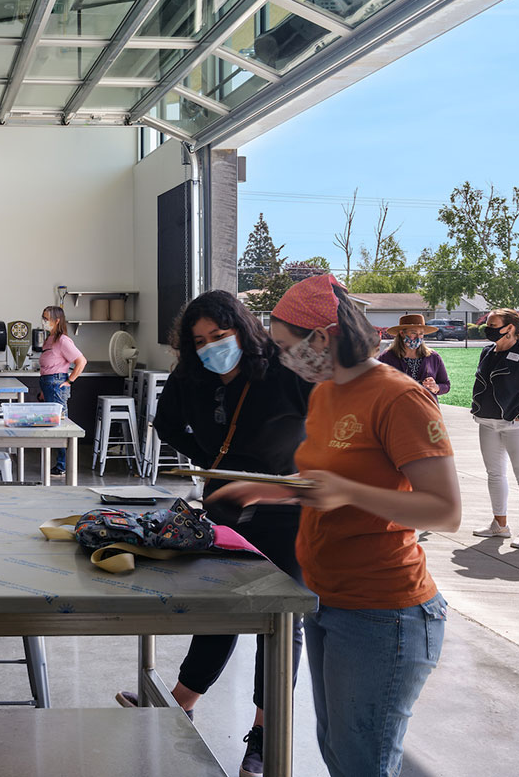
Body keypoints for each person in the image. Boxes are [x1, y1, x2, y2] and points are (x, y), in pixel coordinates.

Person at [209, 274, 459, 777]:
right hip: (326, 599)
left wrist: (349, 494)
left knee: (363, 762)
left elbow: (445, 510)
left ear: (320, 337)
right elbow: (324, 479)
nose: (283, 358)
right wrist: (263, 489)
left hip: (384, 612)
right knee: (340, 752)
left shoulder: (398, 398)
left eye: (285, 346)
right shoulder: (324, 394)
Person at [118, 290, 309, 777]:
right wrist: (208, 458)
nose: (211, 347)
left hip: (284, 505)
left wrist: (292, 473)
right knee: (220, 604)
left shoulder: (283, 370)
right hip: (222, 501)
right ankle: (181, 701)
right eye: (200, 340)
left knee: (280, 620)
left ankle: (265, 734)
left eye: (220, 336)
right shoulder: (191, 374)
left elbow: (323, 427)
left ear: (242, 329)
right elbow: (166, 423)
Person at [469, 308, 519, 548]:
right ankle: (500, 524)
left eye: (493, 324)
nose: (488, 328)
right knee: (494, 474)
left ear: (509, 328)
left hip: (518, 425)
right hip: (487, 422)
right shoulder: (487, 352)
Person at [38, 305, 85, 476]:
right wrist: (43, 390)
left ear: (57, 321)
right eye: (43, 318)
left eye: (46, 318)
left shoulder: (63, 340)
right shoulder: (49, 339)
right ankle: (59, 464)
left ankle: (63, 465)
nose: (43, 322)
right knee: (51, 426)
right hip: (47, 384)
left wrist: (69, 381)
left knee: (61, 426)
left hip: (57, 385)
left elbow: (81, 362)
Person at [377, 314, 450, 400]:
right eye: (413, 333)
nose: (418, 337)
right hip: (397, 410)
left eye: (421, 334)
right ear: (402, 333)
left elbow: (446, 385)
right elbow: (376, 386)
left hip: (427, 410)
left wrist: (436, 387)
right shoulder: (387, 358)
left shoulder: (433, 357)